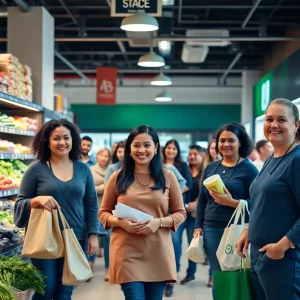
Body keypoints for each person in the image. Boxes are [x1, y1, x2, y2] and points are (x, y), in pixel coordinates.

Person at [14, 119, 102, 300]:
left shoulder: (83, 169)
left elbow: (91, 203)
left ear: (73, 140)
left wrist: (93, 234)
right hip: (44, 237)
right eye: (56, 138)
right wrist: (37, 200)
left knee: (65, 292)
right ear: (47, 141)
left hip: (76, 237)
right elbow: (20, 203)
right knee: (45, 289)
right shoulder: (35, 169)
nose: (62, 142)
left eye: (66, 138)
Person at [99, 125, 186, 300]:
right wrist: (121, 222)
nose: (142, 150)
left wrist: (158, 222)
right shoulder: (117, 177)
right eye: (136, 145)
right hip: (126, 251)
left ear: (155, 148)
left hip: (158, 251)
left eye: (147, 145)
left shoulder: (168, 176)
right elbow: (103, 213)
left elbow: (180, 213)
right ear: (129, 149)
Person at [236, 99, 300, 300]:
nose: (274, 125)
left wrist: (283, 245)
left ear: (296, 124)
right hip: (259, 255)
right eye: (269, 119)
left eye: (282, 119)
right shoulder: (272, 158)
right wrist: (248, 229)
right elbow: (263, 201)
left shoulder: (297, 160)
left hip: (283, 260)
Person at [194, 122, 258, 298]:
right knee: (218, 276)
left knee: (236, 274)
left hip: (239, 230)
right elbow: (202, 201)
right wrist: (198, 226)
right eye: (222, 140)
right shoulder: (210, 168)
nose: (226, 144)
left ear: (240, 143)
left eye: (231, 140)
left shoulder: (249, 168)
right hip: (211, 229)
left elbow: (258, 203)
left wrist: (233, 202)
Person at [162, 139, 193, 297]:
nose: (171, 151)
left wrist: (171, 195)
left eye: (174, 148)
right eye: (169, 148)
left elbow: (188, 184)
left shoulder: (179, 167)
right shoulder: (157, 165)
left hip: (176, 210)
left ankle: (172, 275)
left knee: (175, 242)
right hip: (158, 213)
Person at [173, 145, 205, 286]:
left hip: (195, 214)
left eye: (195, 154)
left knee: (193, 244)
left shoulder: (206, 171)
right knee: (176, 242)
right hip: (180, 212)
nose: (192, 156)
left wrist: (196, 203)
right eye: (190, 154)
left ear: (202, 155)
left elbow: (207, 194)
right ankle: (173, 274)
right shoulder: (184, 169)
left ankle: (190, 273)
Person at [88, 147, 111, 278]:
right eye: (101, 155)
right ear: (97, 156)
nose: (103, 158)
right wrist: (103, 188)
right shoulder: (90, 170)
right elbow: (87, 188)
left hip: (109, 209)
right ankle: (90, 264)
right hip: (94, 207)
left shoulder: (112, 170)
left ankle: (108, 267)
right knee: (93, 235)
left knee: (108, 238)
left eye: (106, 156)